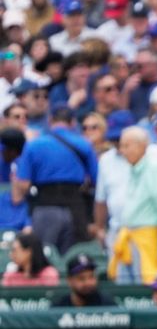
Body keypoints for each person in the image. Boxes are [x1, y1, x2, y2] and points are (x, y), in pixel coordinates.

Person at [11, 104, 97, 253]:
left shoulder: (34, 145)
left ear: (50, 120)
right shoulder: (84, 144)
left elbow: (23, 184)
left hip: (45, 205)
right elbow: (96, 180)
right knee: (74, 258)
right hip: (75, 205)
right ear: (72, 122)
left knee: (44, 254)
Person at [20, 254, 126, 329]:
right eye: (81, 278)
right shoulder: (58, 306)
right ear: (70, 280)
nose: (88, 282)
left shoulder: (107, 304)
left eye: (91, 277)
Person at [107, 126, 157, 285]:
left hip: (147, 241)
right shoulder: (134, 169)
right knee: (126, 290)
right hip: (129, 238)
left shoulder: (154, 168)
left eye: (126, 146)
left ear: (141, 146)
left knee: (147, 289)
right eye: (121, 146)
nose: (122, 151)